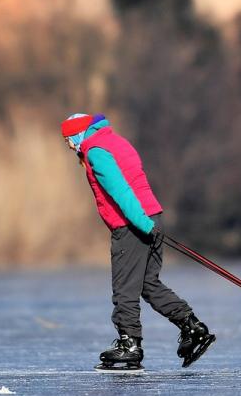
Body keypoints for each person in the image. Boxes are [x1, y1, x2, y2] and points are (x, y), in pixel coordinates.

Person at [61, 113, 215, 371]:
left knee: (124, 288)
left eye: (68, 139)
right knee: (148, 284)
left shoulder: (96, 151)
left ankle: (129, 344)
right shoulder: (117, 141)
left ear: (79, 134)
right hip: (152, 215)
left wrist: (142, 225)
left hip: (132, 224)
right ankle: (193, 327)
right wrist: (150, 223)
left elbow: (121, 191)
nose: (68, 145)